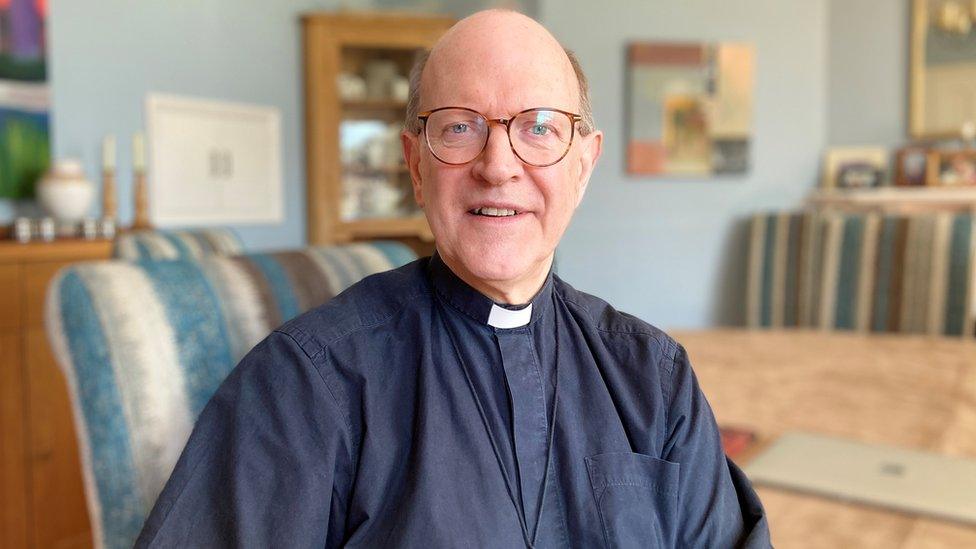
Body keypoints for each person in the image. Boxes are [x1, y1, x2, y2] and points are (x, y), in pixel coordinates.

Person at [137, 9, 770, 548]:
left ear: (583, 165)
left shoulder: (654, 377)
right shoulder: (304, 383)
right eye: (460, 127)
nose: (499, 167)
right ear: (415, 163)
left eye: (539, 128)